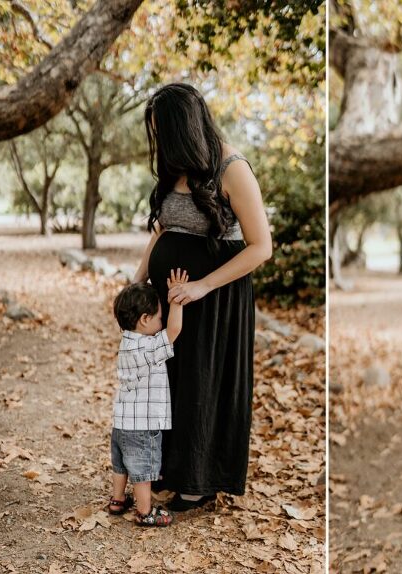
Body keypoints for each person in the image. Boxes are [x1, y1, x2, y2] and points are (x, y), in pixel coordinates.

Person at [132, 83, 272, 511]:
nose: (159, 143)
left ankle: (198, 481)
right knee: (165, 383)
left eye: (163, 132)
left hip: (215, 300)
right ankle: (169, 469)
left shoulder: (232, 168)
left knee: (200, 383)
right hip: (169, 296)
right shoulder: (175, 168)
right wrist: (139, 280)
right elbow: (162, 229)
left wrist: (202, 285)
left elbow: (261, 247)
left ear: (185, 129)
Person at [109, 269, 188, 526]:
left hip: (121, 423)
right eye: (159, 317)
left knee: (121, 465)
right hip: (142, 426)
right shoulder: (147, 347)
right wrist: (176, 300)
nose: (162, 322)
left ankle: (118, 500)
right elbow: (174, 331)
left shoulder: (127, 342)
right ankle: (144, 512)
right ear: (144, 319)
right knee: (142, 470)